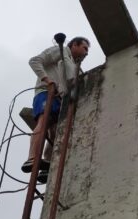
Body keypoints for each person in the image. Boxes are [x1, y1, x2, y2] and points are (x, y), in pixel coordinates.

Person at [22, 37, 90, 183]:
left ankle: (46, 165)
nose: (86, 53)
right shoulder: (60, 51)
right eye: (85, 48)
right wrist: (47, 80)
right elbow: (34, 61)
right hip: (46, 92)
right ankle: (32, 158)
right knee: (43, 122)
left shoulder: (71, 63)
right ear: (74, 45)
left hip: (59, 97)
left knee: (54, 131)